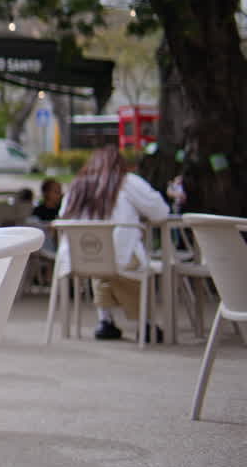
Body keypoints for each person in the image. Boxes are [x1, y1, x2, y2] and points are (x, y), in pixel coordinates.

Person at [56, 145, 169, 342]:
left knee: (100, 264)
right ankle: (145, 323)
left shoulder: (78, 185)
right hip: (119, 255)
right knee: (124, 262)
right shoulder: (128, 182)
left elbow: (62, 215)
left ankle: (105, 321)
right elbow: (160, 212)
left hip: (78, 257)